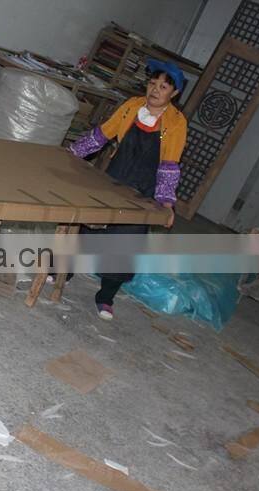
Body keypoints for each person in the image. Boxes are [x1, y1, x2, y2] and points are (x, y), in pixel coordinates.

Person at [69, 59, 187, 321]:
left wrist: (166, 203)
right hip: (115, 178)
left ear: (174, 93)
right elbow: (103, 133)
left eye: (163, 87)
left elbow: (170, 163)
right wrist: (73, 153)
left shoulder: (176, 123)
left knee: (126, 241)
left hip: (143, 189)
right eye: (152, 83)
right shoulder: (131, 106)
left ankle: (106, 297)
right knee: (89, 225)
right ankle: (63, 271)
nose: (155, 90)